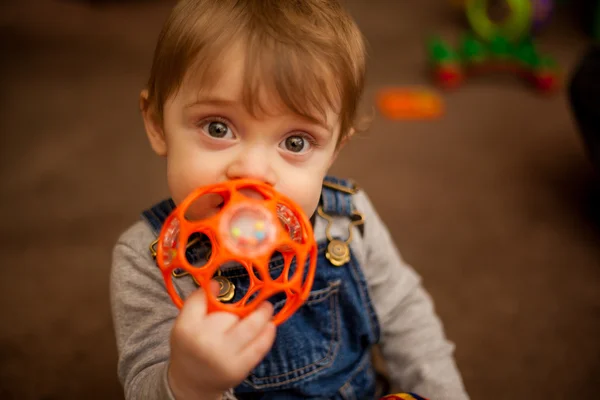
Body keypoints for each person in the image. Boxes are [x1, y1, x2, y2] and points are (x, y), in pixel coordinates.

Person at [110, 1, 470, 399]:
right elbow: (143, 386)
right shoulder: (145, 258)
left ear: (333, 150)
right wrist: (189, 383)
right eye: (218, 127)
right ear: (158, 124)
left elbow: (404, 313)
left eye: (295, 142)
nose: (253, 171)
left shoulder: (346, 219)